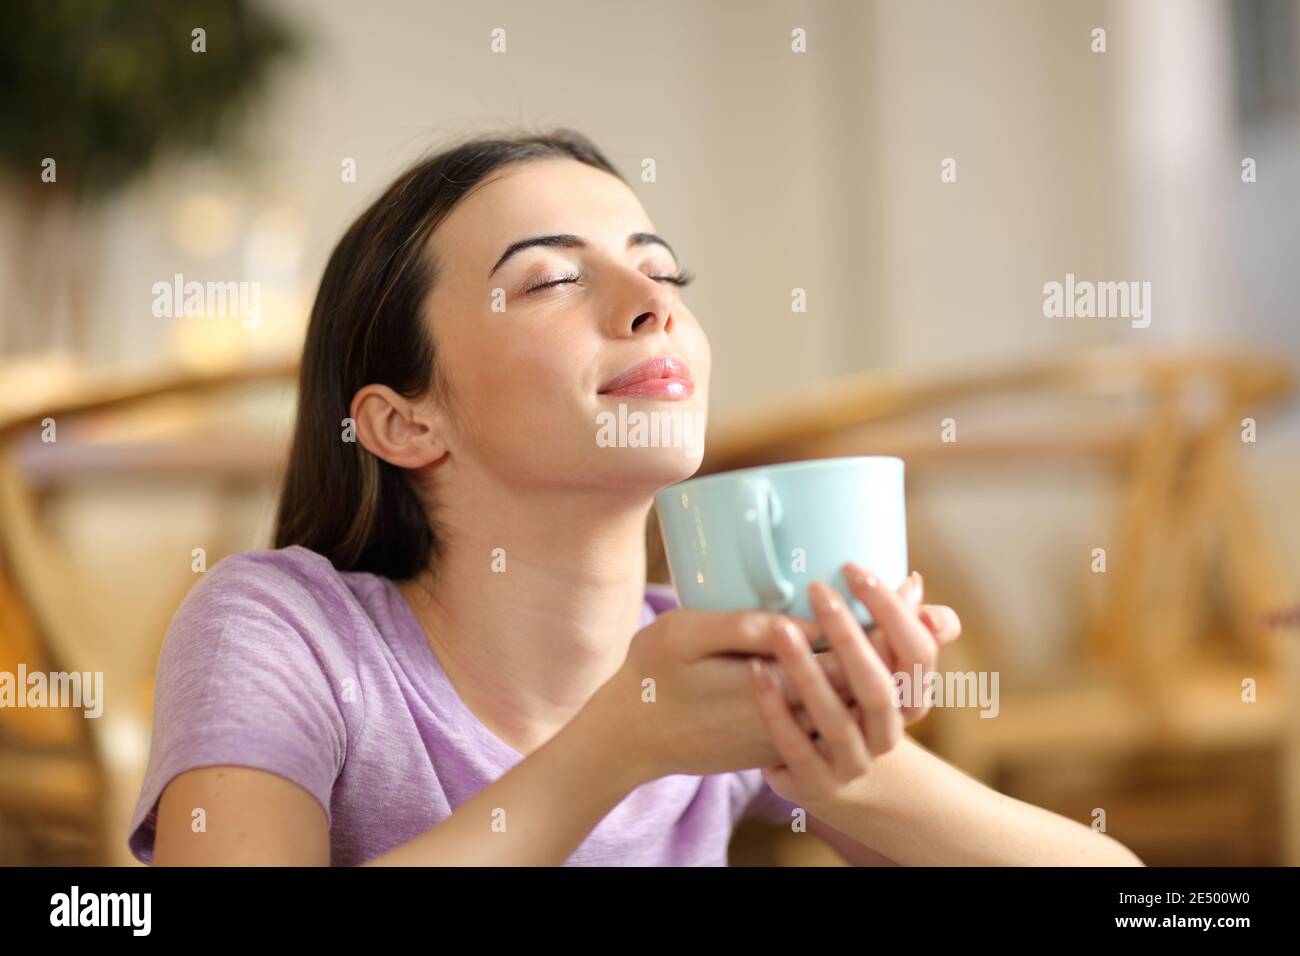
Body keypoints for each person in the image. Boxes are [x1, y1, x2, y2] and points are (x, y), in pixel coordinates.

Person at [128, 128, 1143, 866]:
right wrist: (615, 747)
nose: (654, 303)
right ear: (404, 422)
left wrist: (844, 762)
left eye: (661, 271)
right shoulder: (279, 628)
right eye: (552, 280)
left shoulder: (709, 661)